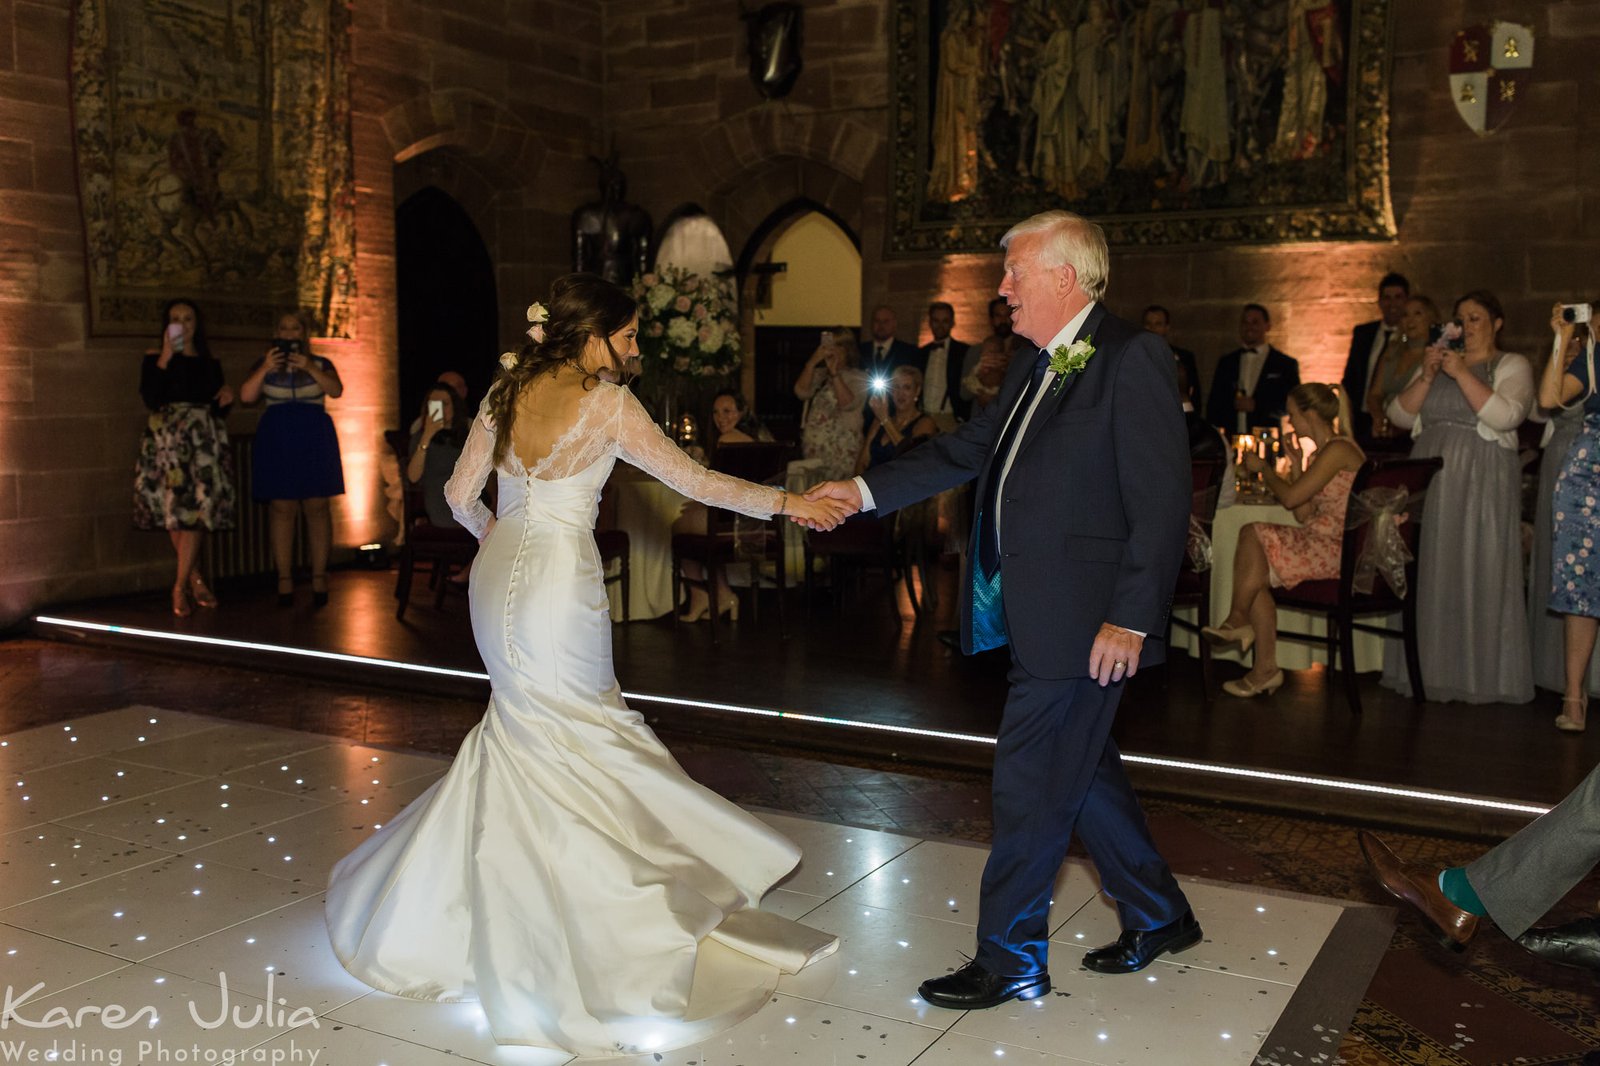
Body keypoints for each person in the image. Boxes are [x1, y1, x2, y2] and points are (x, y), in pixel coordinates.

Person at [325, 274, 847, 1057]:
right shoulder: (608, 404)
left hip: (499, 574)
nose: (636, 349)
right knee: (590, 735)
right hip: (558, 588)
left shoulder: (505, 392)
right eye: (629, 335)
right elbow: (694, 480)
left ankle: (474, 918)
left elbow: (462, 495)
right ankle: (600, 924)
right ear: (592, 335)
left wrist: (503, 535)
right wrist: (787, 504)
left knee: (528, 737)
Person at [800, 210, 1196, 1010]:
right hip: (1034, 611)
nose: (1003, 288)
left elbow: (1162, 502)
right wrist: (866, 490)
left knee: (1028, 782)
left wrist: (1130, 617)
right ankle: (1158, 914)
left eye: (1014, 272)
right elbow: (968, 449)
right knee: (1078, 774)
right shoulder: (1030, 362)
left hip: (1090, 624)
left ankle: (1009, 957)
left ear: (1064, 276)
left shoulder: (1133, 357)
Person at [1382, 290, 1534, 704]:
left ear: (1496, 323)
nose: (1466, 327)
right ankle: (1425, 668)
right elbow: (1398, 415)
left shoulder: (1511, 364)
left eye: (1476, 318)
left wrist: (1463, 372)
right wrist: (1430, 375)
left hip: (1479, 477)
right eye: (1461, 319)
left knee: (1475, 563)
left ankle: (1479, 675)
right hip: (1430, 479)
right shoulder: (1437, 362)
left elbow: (1506, 415)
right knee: (1431, 567)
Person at [1202, 384, 1365, 697]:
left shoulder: (1339, 450)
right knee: (1256, 572)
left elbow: (1290, 500)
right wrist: (1296, 463)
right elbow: (1304, 514)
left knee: (1252, 532)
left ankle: (1238, 619)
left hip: (1339, 549)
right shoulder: (1324, 452)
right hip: (1323, 541)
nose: (1290, 421)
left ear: (1309, 414)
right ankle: (1264, 669)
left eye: (1293, 414)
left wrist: (1264, 469)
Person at [133, 297, 236, 618]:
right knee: (175, 513)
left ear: (196, 324)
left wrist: (226, 398)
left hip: (202, 443)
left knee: (195, 513)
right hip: (167, 442)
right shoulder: (154, 359)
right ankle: (194, 577)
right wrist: (166, 355)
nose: (182, 324)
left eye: (188, 318)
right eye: (175, 318)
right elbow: (151, 397)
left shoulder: (208, 362)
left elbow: (216, 406)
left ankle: (178, 586)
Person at [238, 310, 345, 607]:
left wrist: (309, 366)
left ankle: (320, 577)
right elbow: (246, 396)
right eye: (283, 328)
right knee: (281, 507)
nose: (288, 334)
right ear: (276, 332)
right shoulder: (265, 363)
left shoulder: (321, 363)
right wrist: (265, 367)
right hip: (278, 435)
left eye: (294, 329)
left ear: (303, 333)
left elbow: (336, 390)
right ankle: (283, 579)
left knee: (317, 507)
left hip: (313, 435)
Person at [1538, 304, 1600, 730]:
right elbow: (1548, 399)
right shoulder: (1593, 358)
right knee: (1580, 583)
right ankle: (1574, 698)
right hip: (1588, 472)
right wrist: (1562, 339)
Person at [674, 388, 770, 623]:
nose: (721, 417)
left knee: (677, 526)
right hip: (756, 520)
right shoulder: (761, 439)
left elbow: (714, 488)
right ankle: (723, 594)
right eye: (716, 412)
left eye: (728, 411)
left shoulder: (727, 440)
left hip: (732, 521)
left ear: (742, 412)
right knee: (696, 523)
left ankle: (700, 595)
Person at [1205, 304, 1301, 434]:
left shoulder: (1284, 363)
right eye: (1245, 322)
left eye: (1255, 322)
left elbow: (1291, 404)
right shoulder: (1227, 362)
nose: (1249, 327)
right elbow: (1214, 404)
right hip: (1231, 438)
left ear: (1267, 326)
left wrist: (1257, 406)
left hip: (1266, 439)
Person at [1341, 272, 1411, 443]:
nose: (1392, 303)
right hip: (1363, 418)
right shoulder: (1364, 333)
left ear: (1406, 300)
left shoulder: (1412, 336)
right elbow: (1351, 378)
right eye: (1387, 298)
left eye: (1398, 297)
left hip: (1397, 420)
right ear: (1379, 301)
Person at [794, 326, 868, 479]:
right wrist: (812, 363)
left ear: (847, 350)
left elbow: (848, 403)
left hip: (842, 450)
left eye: (838, 346)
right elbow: (800, 392)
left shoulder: (858, 377)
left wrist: (835, 373)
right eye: (829, 345)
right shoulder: (819, 375)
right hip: (815, 449)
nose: (832, 351)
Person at [1364, 295, 1438, 442]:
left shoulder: (1436, 355)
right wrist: (1380, 417)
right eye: (1405, 315)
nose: (1410, 320)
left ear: (1430, 318)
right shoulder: (1392, 352)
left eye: (1417, 313)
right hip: (1389, 431)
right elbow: (1375, 394)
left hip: (1419, 431)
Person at [406, 385, 472, 530]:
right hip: (440, 502)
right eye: (435, 404)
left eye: (445, 404)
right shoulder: (420, 437)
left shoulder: (469, 433)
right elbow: (413, 477)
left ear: (454, 406)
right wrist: (427, 436)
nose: (440, 409)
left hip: (471, 500)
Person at [856, 366, 940, 475]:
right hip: (871, 485)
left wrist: (885, 420)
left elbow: (912, 457)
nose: (900, 393)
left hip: (899, 487)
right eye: (896, 387)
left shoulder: (925, 423)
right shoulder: (879, 419)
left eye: (907, 387)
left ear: (917, 391)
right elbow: (862, 462)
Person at [920, 301, 971, 427]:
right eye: (936, 320)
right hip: (923, 417)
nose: (940, 326)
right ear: (930, 323)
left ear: (952, 323)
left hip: (950, 418)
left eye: (945, 321)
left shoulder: (964, 351)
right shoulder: (921, 353)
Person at [1143, 304, 1200, 406]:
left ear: (1167, 327)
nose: (1152, 328)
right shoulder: (1135, 356)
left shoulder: (1184, 357)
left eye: (1158, 324)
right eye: (1148, 324)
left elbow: (1194, 397)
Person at [859, 304, 923, 384]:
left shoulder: (909, 352)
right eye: (877, 321)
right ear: (871, 324)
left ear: (894, 324)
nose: (881, 325)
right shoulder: (860, 351)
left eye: (885, 321)